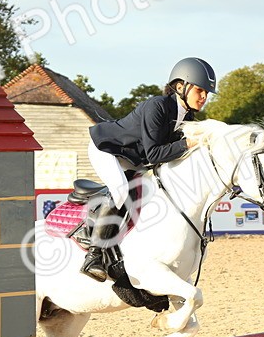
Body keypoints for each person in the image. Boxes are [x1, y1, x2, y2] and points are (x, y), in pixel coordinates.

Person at [80, 57, 217, 281]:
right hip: (108, 149)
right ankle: (93, 256)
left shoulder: (187, 116)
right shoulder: (158, 106)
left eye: (207, 93)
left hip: (134, 158)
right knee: (121, 191)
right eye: (200, 90)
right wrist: (188, 143)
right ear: (180, 87)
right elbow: (154, 154)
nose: (204, 97)